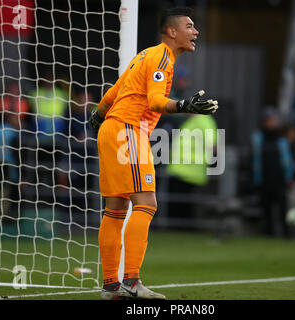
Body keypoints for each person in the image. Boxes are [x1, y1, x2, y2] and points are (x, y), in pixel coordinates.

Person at [89, 7, 218, 300]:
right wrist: (185, 106)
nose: (195, 32)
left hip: (111, 128)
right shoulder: (163, 58)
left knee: (116, 209)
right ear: (172, 32)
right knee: (146, 203)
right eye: (190, 26)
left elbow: (113, 92)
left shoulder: (144, 55)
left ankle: (110, 286)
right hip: (129, 130)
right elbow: (157, 101)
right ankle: (132, 282)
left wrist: (98, 115)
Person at [250, 108, 293, 238]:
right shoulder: (258, 139)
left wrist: (288, 177)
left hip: (279, 179)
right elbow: (254, 160)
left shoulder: (281, 140)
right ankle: (269, 233)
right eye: (268, 120)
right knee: (266, 209)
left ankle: (287, 234)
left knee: (283, 209)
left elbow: (287, 161)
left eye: (272, 120)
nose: (270, 123)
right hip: (264, 179)